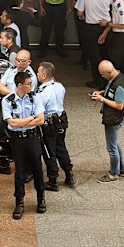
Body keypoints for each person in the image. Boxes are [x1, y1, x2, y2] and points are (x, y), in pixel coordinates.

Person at [2, 71, 46, 219]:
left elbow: (40, 120)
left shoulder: (35, 97)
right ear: (20, 85)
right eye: (28, 84)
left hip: (33, 138)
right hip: (18, 140)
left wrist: (25, 121)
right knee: (20, 172)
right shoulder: (7, 100)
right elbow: (11, 123)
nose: (31, 86)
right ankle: (19, 202)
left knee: (37, 170)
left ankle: (41, 199)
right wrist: (31, 118)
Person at [0, 49, 38, 173]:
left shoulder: (30, 77)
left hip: (22, 112)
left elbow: (25, 94)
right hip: (7, 108)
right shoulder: (11, 70)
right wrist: (13, 94)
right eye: (17, 60)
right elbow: (0, 87)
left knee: (21, 141)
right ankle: (4, 163)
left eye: (22, 61)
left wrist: (10, 94)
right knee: (3, 136)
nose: (19, 63)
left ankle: (27, 170)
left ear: (29, 62)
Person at [37, 62, 74, 191]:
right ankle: (69, 174)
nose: (37, 74)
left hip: (49, 123)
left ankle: (53, 180)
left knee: (49, 151)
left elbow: (39, 110)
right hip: (60, 120)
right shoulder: (59, 86)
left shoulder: (43, 92)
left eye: (38, 72)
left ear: (44, 75)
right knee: (61, 148)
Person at [90, 60, 124, 183]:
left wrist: (102, 99)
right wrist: (102, 92)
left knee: (111, 148)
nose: (102, 76)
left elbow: (119, 105)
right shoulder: (115, 78)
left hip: (114, 119)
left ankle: (113, 174)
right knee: (115, 144)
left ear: (109, 72)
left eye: (103, 74)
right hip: (113, 117)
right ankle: (122, 169)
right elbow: (110, 90)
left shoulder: (119, 85)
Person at [75, 0, 111, 88]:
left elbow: (79, 13)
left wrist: (85, 16)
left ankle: (97, 81)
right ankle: (108, 80)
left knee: (94, 56)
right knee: (106, 54)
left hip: (90, 28)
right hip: (106, 27)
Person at [99, 0, 124, 72]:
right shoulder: (115, 4)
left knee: (115, 61)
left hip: (121, 36)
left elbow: (122, 25)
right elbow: (114, 20)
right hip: (116, 34)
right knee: (121, 61)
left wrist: (107, 24)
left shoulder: (121, 6)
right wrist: (105, 32)